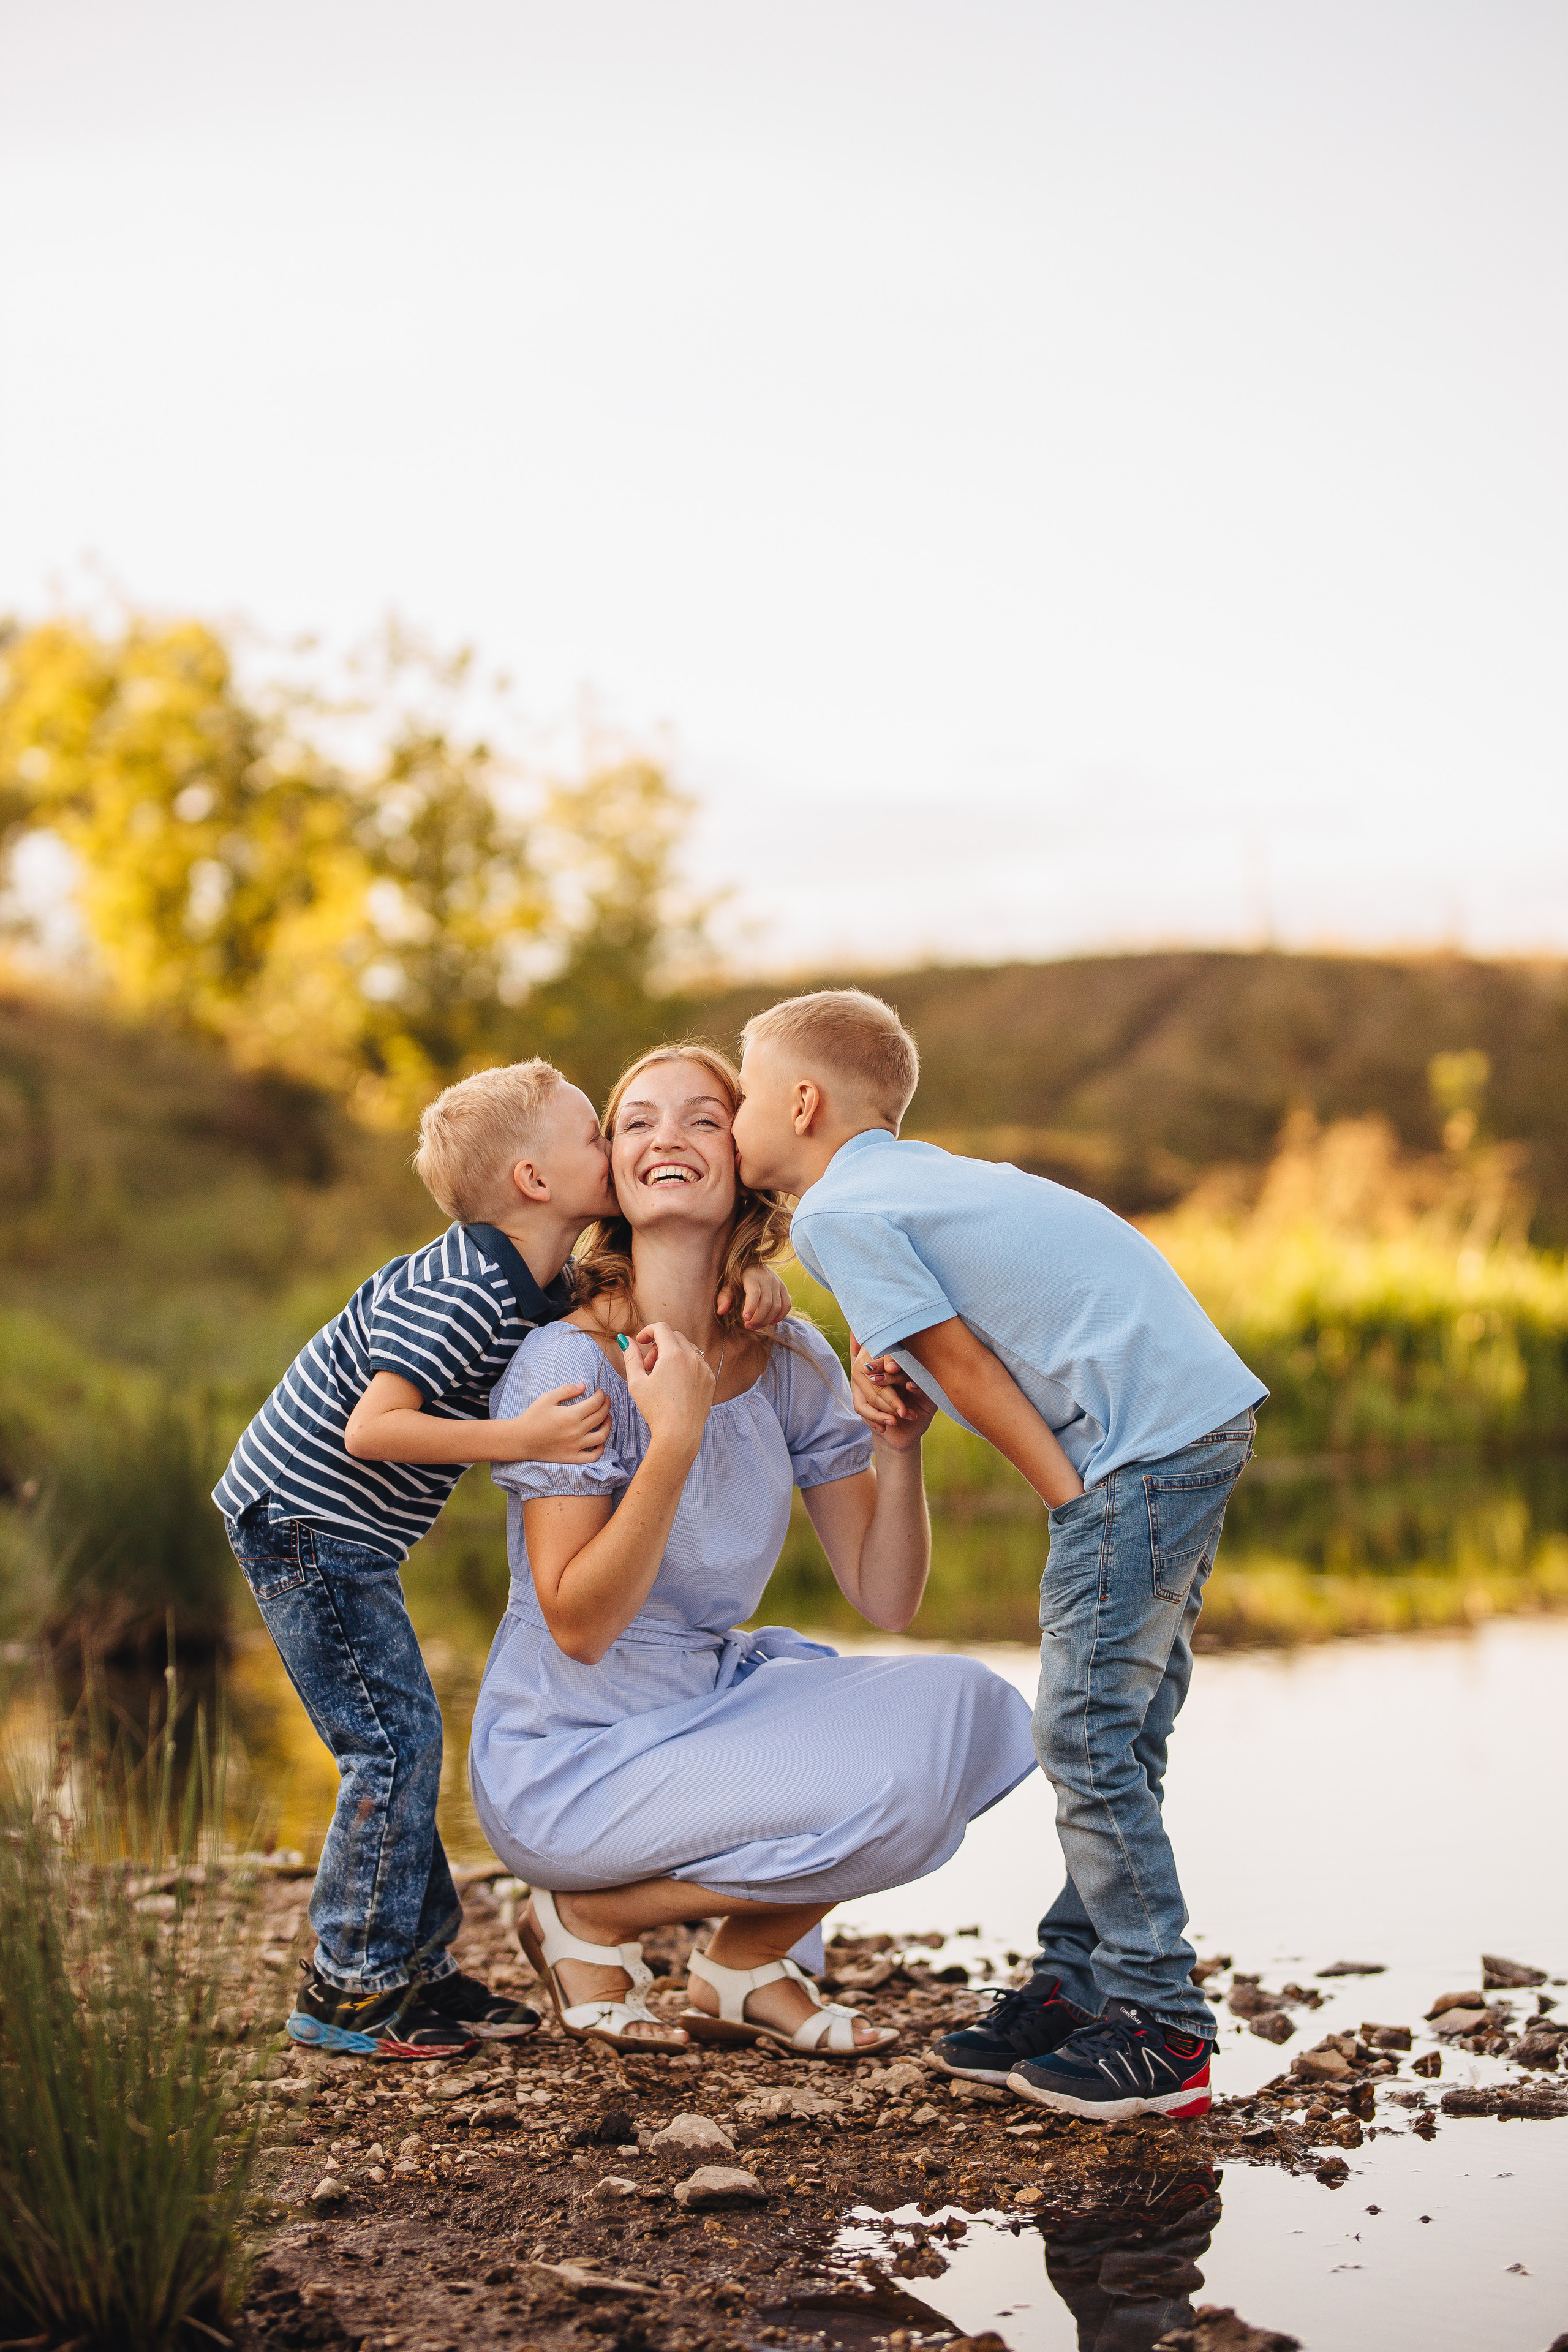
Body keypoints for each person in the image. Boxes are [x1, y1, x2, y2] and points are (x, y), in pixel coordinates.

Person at [731, 989, 1267, 2122]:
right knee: (1117, 1727)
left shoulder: (833, 1214)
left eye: (739, 1097)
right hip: (1187, 1416)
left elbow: (966, 1367)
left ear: (803, 1102)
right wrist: (906, 1372)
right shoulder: (916, 1178)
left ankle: (1162, 2028)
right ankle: (1080, 1987)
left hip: (1138, 1450)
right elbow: (963, 1339)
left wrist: (1071, 1497)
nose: (732, 1120)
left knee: (1080, 1729)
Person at [214, 1056, 790, 2059]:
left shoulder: (534, 1278)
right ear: (536, 1183)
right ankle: (348, 1987)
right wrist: (520, 1439)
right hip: (302, 1522)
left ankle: (418, 1968)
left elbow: (636, 1296)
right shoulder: (469, 1288)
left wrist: (749, 1272)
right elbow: (373, 1429)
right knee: (388, 1749)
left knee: (405, 1738)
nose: (617, 1150)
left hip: (337, 1534)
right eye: (595, 1136)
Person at [468, 1042, 1036, 2056]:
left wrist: (899, 1450)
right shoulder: (569, 1359)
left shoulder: (790, 1360)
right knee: (891, 1790)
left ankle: (741, 1963)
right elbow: (579, 1624)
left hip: (714, 1704)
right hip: (573, 1755)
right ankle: (590, 1918)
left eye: (701, 1118)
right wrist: (672, 1441)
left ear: (744, 1161)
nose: (666, 1138)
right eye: (635, 1121)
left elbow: (886, 1596)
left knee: (976, 1717)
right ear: (612, 1175)